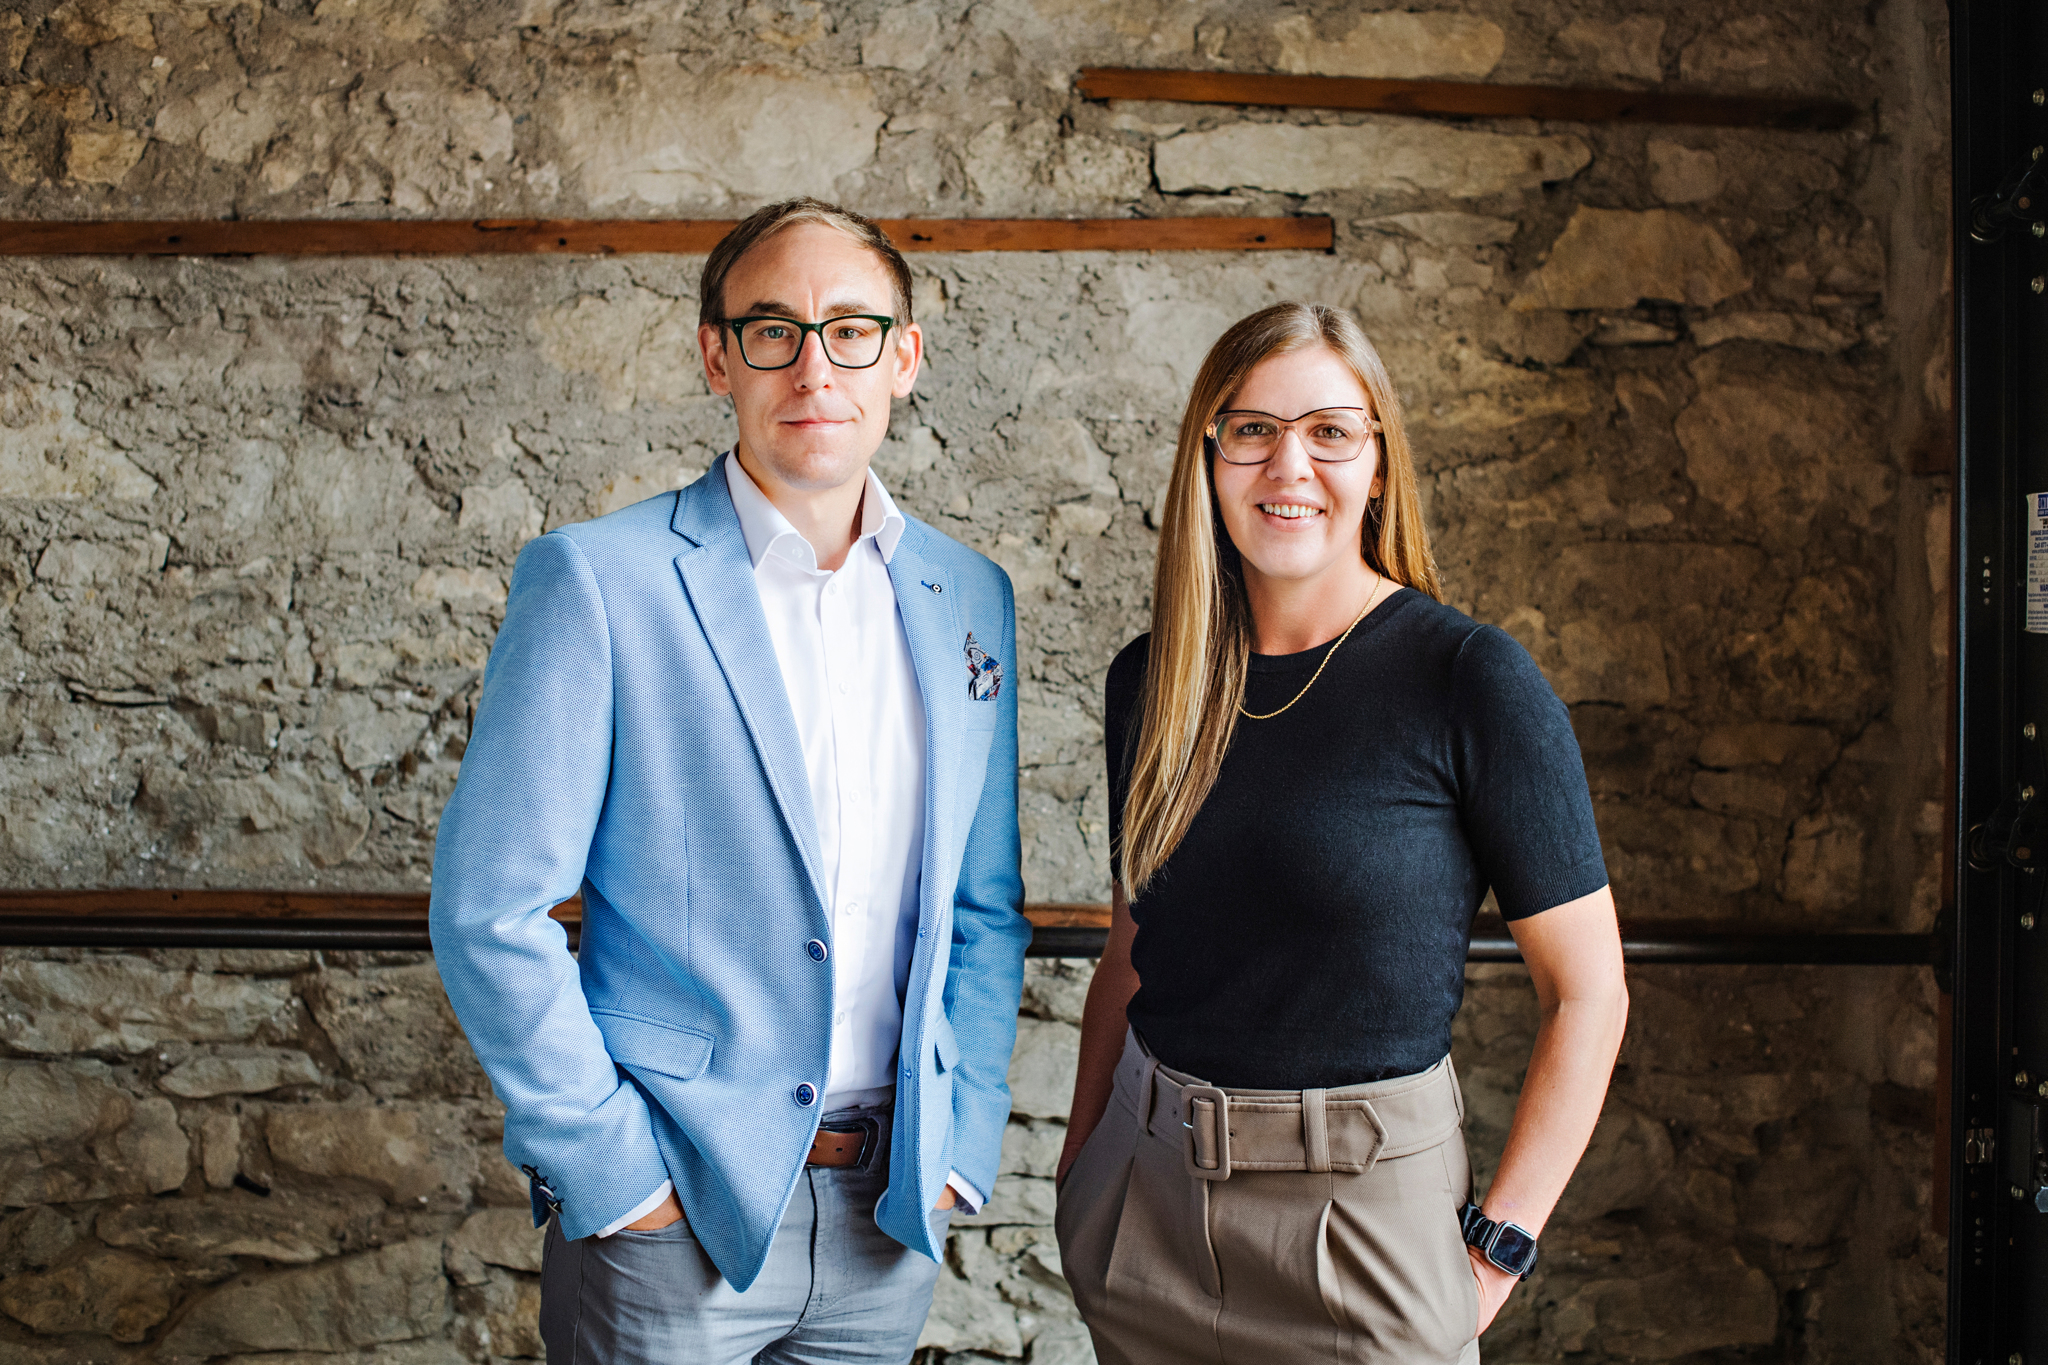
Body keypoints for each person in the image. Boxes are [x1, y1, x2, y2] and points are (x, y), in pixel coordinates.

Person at [430, 197, 1031, 1365]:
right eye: (772, 331)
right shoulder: (599, 581)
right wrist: (611, 1169)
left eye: (850, 330)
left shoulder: (968, 597)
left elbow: (983, 906)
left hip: (887, 1215)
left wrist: (960, 1142)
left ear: (903, 358)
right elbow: (489, 908)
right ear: (717, 357)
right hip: (671, 1211)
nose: (814, 367)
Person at [1054, 302, 1629, 1364]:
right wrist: (1082, 1163)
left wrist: (1498, 1250)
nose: (1289, 465)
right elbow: (1134, 948)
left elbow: (1588, 994)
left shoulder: (1469, 680)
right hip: (1146, 1211)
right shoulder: (1151, 678)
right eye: (1252, 429)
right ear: (1208, 456)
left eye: (1328, 431)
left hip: (1367, 1228)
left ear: (1377, 462)